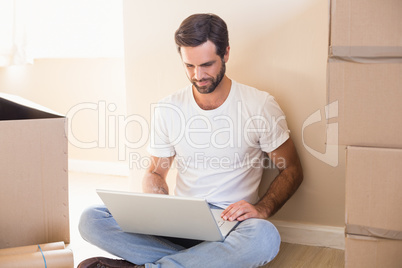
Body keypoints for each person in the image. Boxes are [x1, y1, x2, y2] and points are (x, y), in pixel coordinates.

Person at [78, 13, 303, 268]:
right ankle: (196, 263)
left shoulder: (260, 105)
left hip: (230, 225)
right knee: (91, 219)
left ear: (226, 54)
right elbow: (155, 171)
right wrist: (157, 202)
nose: (198, 75)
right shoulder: (168, 108)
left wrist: (262, 209)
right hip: (180, 220)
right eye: (189, 66)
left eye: (207, 64)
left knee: (265, 238)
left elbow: (292, 169)